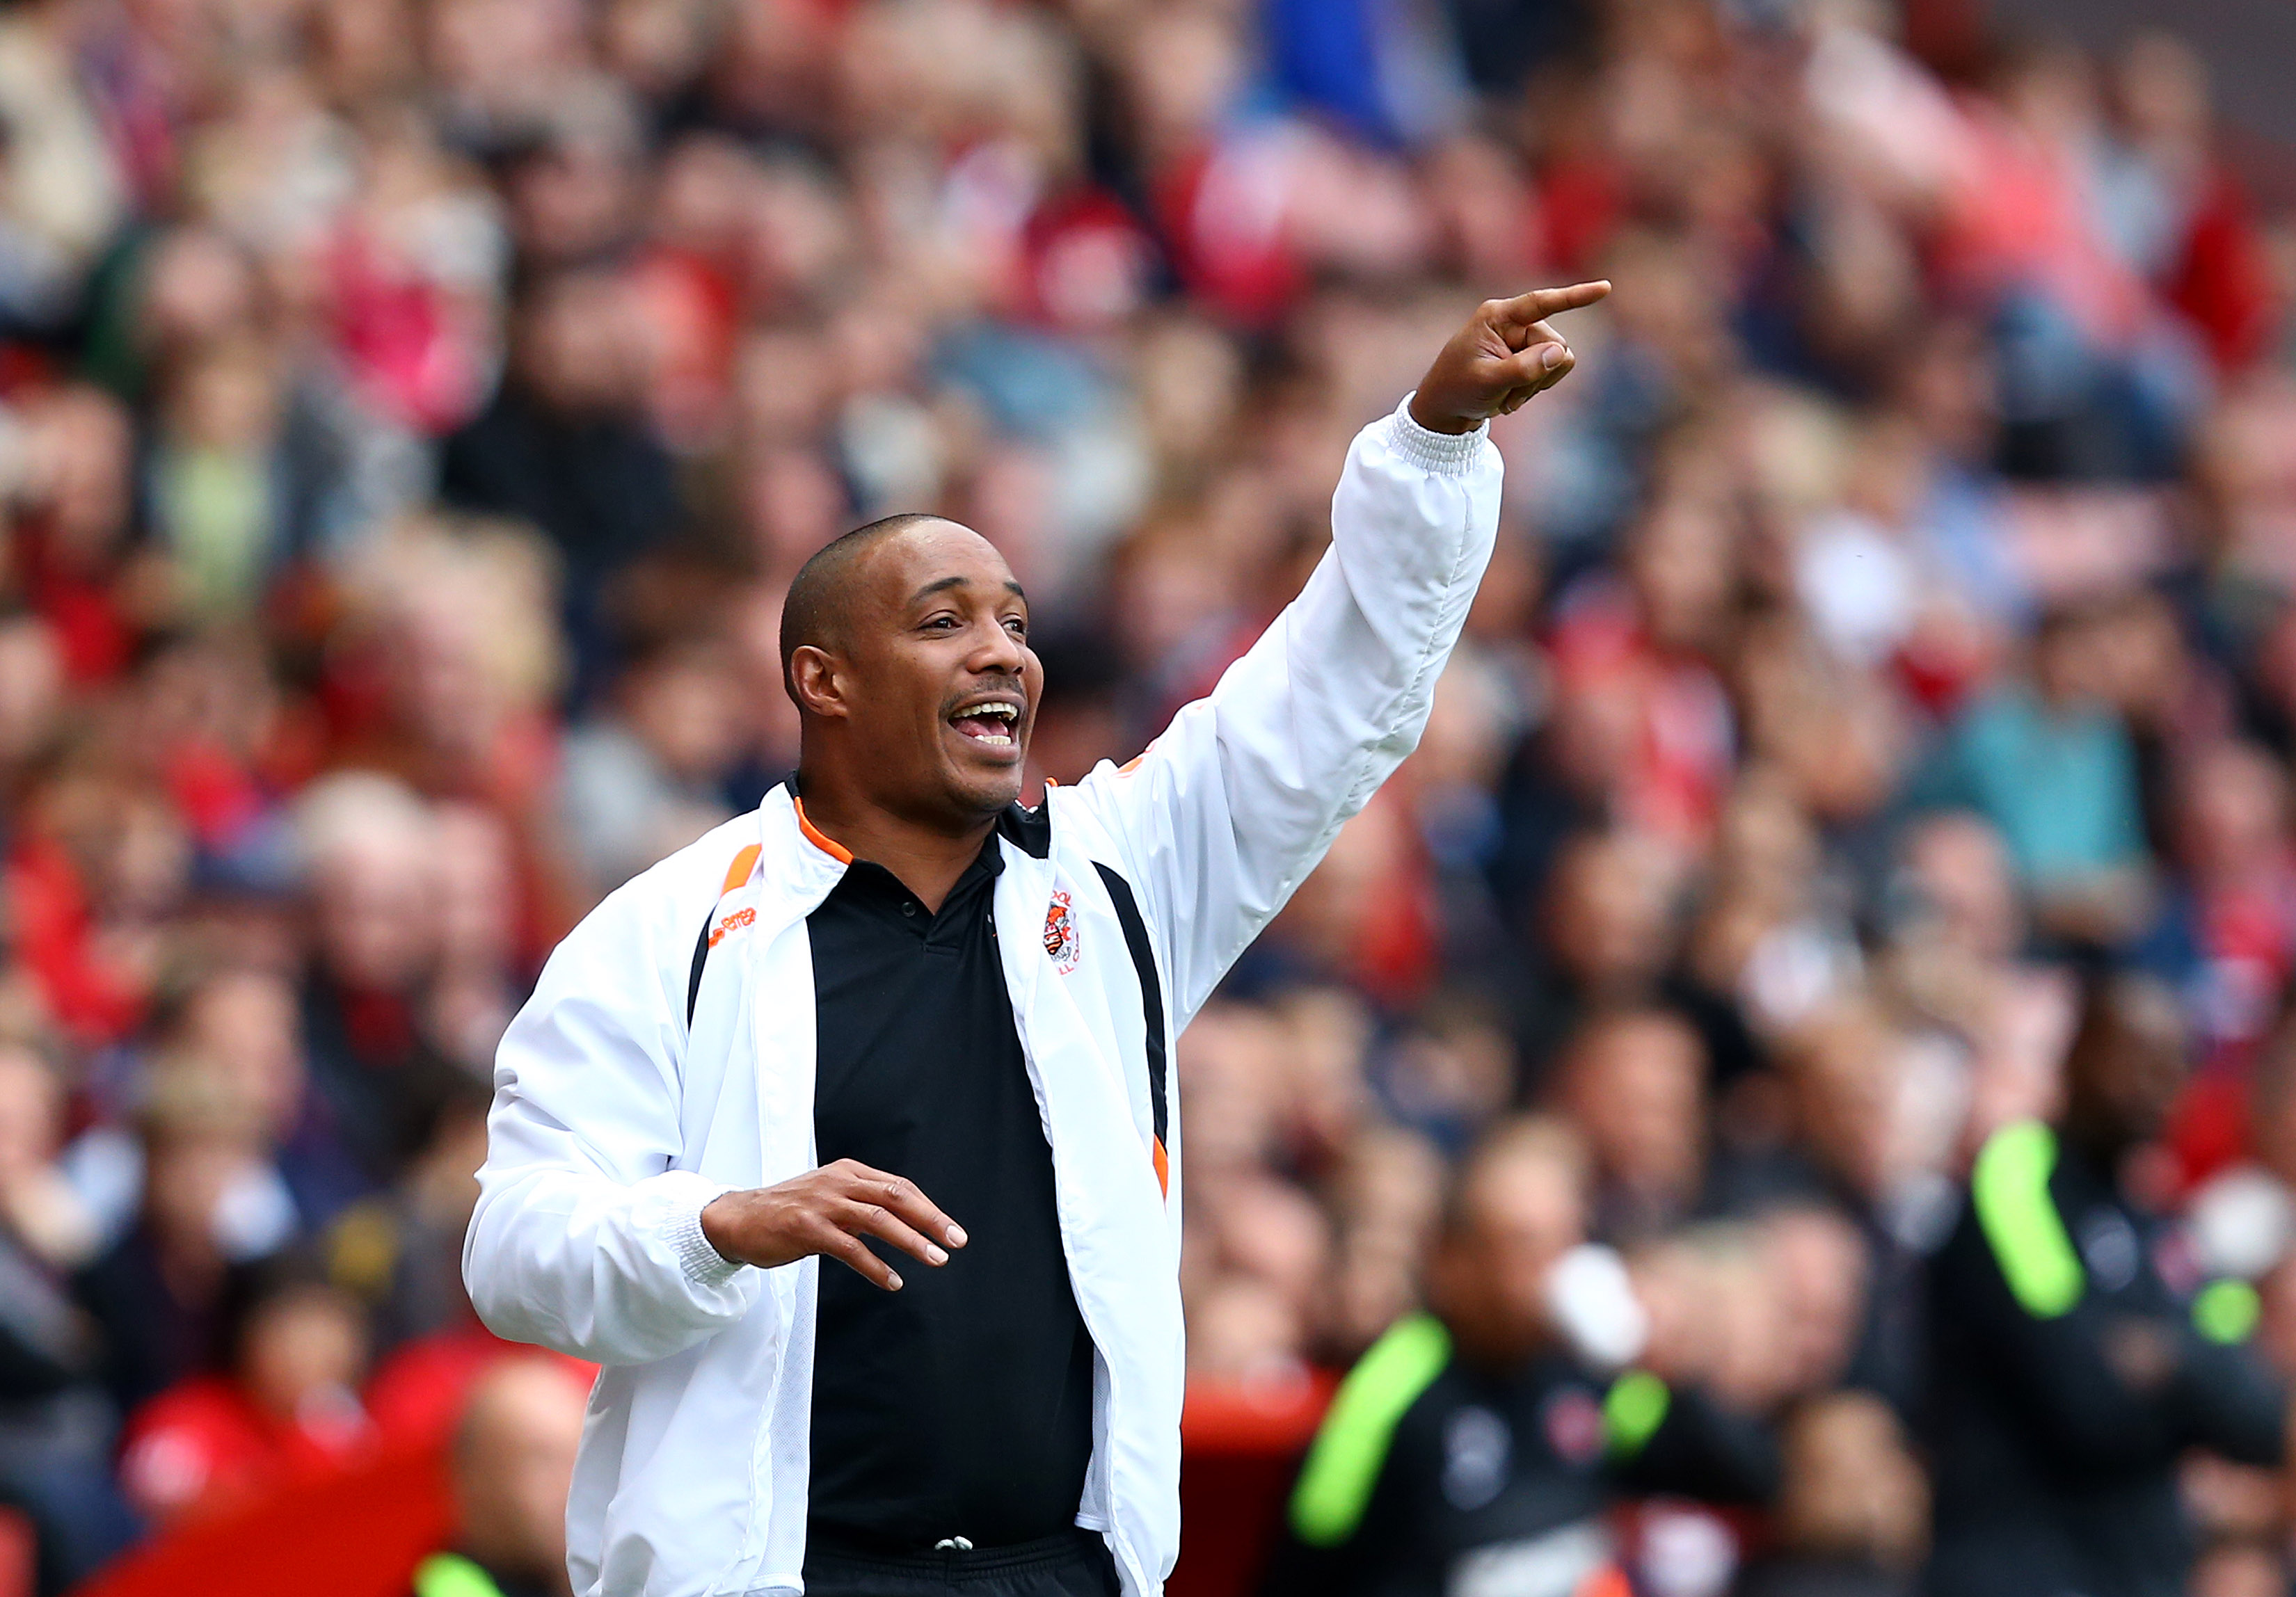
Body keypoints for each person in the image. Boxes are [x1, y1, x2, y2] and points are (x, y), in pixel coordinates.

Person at [462, 280, 1614, 1597]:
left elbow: (1329, 706)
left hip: (1062, 1573)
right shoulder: (669, 931)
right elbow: (513, 1253)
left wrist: (1433, 445)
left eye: (1013, 619)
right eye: (944, 622)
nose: (1002, 652)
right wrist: (718, 1223)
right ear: (821, 680)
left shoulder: (1122, 878)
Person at [1261, 1116, 1777, 1597]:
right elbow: (1310, 1552)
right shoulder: (1394, 1383)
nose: (1552, 1273)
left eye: (1565, 1242)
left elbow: (1745, 1478)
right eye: (1524, 1247)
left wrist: (1672, 1368)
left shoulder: (1594, 1375)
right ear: (1452, 1261)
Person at [1924, 972, 2288, 1597]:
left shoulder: (2162, 1223)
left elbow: (2260, 1414)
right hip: (2017, 1563)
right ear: (2076, 1059)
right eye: (2131, 1061)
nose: (2151, 1087)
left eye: (2169, 1068)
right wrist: (2185, 1372)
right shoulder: (2016, 1178)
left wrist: (2169, 1358)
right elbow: (2084, 1394)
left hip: (2141, 1570)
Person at [410, 1356, 591, 1597]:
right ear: (471, 1477)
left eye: (578, 1459)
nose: (569, 1484)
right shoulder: (447, 1588)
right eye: (543, 1462)